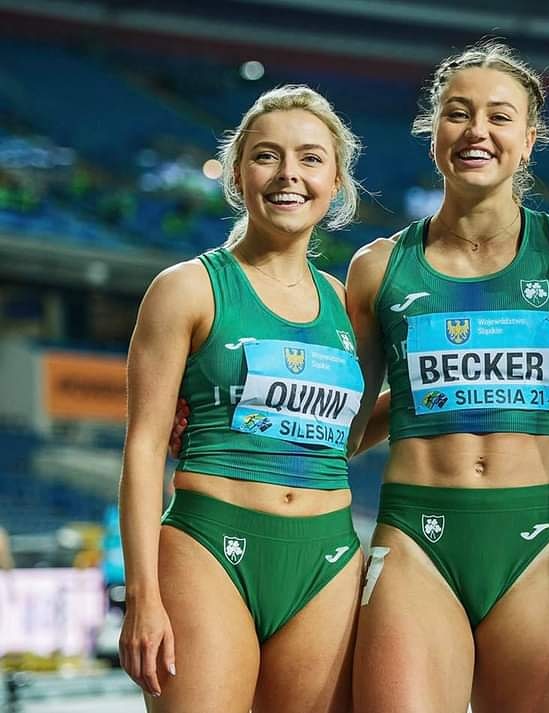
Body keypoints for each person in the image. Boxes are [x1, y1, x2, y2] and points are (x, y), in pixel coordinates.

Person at [345, 42, 549, 713]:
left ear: (528, 141)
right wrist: (418, 406)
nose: (477, 131)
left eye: (499, 117)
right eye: (458, 114)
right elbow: (340, 434)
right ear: (433, 133)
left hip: (536, 540)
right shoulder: (377, 268)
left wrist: (528, 461)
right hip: (413, 537)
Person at [119, 85, 369, 712]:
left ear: (336, 180)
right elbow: (145, 448)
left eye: (311, 158)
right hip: (210, 550)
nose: (289, 175)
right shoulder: (186, 290)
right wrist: (142, 596)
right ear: (237, 173)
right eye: (267, 156)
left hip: (327, 560)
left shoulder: (349, 308)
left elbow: (355, 430)